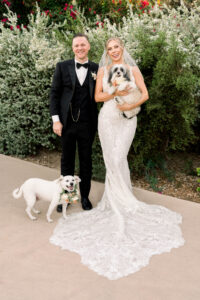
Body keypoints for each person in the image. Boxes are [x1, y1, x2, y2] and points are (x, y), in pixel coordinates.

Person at [50, 37, 184, 280]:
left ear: (122, 48)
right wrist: (113, 93)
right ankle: (73, 199)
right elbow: (91, 96)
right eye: (109, 48)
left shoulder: (123, 69)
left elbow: (144, 94)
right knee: (78, 160)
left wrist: (128, 103)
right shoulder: (84, 69)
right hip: (91, 120)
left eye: (116, 47)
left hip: (119, 119)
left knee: (113, 157)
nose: (113, 51)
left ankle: (111, 199)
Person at [50, 33, 98, 212]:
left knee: (86, 161)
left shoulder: (96, 68)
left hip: (88, 123)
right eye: (76, 45)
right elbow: (54, 94)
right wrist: (56, 120)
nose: (80, 48)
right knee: (67, 160)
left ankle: (84, 197)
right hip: (66, 123)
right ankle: (67, 198)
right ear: (72, 48)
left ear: (89, 46)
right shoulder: (62, 67)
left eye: (83, 45)